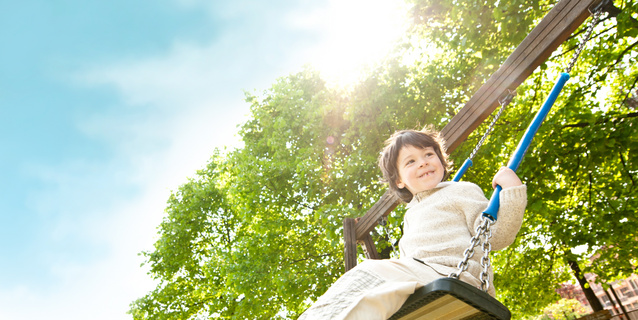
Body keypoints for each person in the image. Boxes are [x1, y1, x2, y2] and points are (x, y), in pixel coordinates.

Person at [298, 127, 527, 320]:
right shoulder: (411, 213)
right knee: (374, 298)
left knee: (369, 272)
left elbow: (495, 237)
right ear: (398, 181)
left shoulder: (461, 190)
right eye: (411, 161)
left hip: (450, 275)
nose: (423, 163)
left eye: (428, 154)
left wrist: (512, 190)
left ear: (441, 161)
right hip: (419, 280)